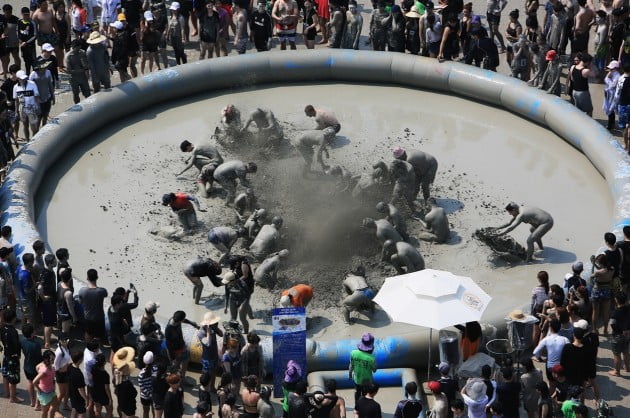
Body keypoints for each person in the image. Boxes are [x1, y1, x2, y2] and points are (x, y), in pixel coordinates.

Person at [532, 319, 570, 393]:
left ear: (550, 327)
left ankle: (552, 400)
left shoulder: (546, 339)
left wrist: (539, 358)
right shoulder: (565, 340)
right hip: (561, 367)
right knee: (561, 385)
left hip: (550, 367)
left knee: (552, 385)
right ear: (560, 328)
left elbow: (535, 351)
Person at [165, 310, 199, 380]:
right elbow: (168, 345)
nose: (183, 320)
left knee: (186, 360)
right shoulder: (169, 329)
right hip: (175, 351)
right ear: (180, 320)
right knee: (175, 367)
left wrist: (192, 323)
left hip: (182, 346)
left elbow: (184, 320)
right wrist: (172, 358)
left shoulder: (175, 319)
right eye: (183, 319)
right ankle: (173, 381)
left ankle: (182, 378)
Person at [78, 268, 108, 343]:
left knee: (88, 332)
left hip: (88, 316)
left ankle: (88, 346)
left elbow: (80, 302)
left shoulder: (82, 291)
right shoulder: (102, 291)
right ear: (97, 277)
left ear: (87, 278)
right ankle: (96, 347)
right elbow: (106, 295)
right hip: (99, 316)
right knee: (99, 335)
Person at [198, 312, 223, 390]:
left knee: (214, 372)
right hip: (207, 358)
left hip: (214, 355)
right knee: (206, 374)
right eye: (214, 323)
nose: (216, 324)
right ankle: (205, 388)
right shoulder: (201, 333)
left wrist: (216, 328)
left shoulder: (213, 329)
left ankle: (212, 387)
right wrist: (208, 332)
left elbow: (221, 334)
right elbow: (208, 343)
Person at [349, 332, 377, 404]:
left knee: (357, 392)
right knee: (365, 395)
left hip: (357, 379)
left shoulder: (353, 353)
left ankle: (357, 406)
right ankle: (364, 407)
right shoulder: (372, 358)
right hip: (367, 381)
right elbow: (374, 370)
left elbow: (351, 365)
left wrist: (349, 375)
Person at [13, 69, 40, 142]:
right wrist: (16, 112)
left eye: (25, 78)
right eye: (22, 79)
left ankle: (35, 140)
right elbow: (16, 100)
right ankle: (28, 140)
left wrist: (38, 107)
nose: (24, 80)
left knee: (34, 126)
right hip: (22, 108)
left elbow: (37, 96)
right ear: (18, 79)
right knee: (25, 125)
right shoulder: (15, 87)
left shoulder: (32, 84)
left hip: (32, 108)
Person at [21, 323, 42, 409]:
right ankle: (37, 404)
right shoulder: (36, 344)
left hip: (27, 366)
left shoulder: (22, 342)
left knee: (30, 382)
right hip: (36, 368)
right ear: (32, 333)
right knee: (39, 385)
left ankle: (32, 401)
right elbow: (40, 357)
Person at [590, 253, 613, 334]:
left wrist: (593, 265)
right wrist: (595, 264)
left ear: (600, 263)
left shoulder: (598, 272)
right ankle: (606, 329)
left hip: (597, 291)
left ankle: (595, 329)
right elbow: (603, 269)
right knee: (606, 312)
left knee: (595, 311)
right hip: (606, 290)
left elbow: (592, 275)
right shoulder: (612, 269)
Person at [609, 291, 630, 377]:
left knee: (616, 354)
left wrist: (621, 331)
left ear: (616, 300)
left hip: (618, 335)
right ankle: (628, 368)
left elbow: (612, 324)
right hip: (628, 334)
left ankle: (617, 372)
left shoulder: (615, 313)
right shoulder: (629, 308)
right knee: (626, 351)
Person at [113, 347, 138, 418]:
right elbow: (134, 393)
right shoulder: (127, 384)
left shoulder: (117, 375)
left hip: (122, 403)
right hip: (129, 405)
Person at [33, 349, 59, 418]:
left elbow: (37, 367)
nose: (54, 360)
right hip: (45, 393)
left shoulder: (50, 366)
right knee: (45, 412)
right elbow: (34, 382)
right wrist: (39, 389)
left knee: (55, 406)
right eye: (52, 359)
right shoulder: (44, 370)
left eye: (54, 358)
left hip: (51, 391)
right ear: (46, 359)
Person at [65, 39, 91, 104]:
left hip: (83, 77)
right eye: (77, 48)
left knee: (87, 93)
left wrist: (86, 67)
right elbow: (69, 70)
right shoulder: (68, 56)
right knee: (76, 94)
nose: (78, 49)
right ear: (73, 47)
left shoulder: (82, 52)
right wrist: (82, 70)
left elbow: (87, 65)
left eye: (79, 48)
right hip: (73, 79)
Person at [90, 353, 113, 418]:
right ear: (104, 363)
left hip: (94, 392)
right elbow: (107, 388)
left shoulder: (93, 368)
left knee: (98, 410)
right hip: (103, 394)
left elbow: (91, 379)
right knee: (109, 410)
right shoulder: (105, 375)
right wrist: (110, 399)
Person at [17, 7, 37, 75]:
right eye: (25, 14)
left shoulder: (32, 22)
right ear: (22, 14)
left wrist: (27, 42)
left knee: (33, 61)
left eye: (27, 14)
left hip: (31, 46)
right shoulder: (19, 21)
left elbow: (35, 35)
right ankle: (27, 74)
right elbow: (17, 32)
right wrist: (19, 40)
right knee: (26, 61)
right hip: (23, 46)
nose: (26, 16)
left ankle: (36, 75)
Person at [69, 350, 88, 418]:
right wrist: (86, 399)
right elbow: (81, 389)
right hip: (78, 397)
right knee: (82, 412)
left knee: (74, 409)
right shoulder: (78, 374)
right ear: (80, 360)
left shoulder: (70, 367)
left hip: (71, 394)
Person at [138, 351, 155, 418]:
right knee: (155, 412)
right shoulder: (155, 370)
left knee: (145, 412)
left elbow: (142, 388)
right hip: (154, 396)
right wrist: (152, 395)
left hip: (144, 397)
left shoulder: (141, 374)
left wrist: (148, 394)